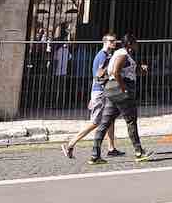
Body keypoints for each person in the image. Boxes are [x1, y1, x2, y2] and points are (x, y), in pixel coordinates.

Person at [88, 34, 148, 165]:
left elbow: (126, 70)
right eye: (135, 43)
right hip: (119, 91)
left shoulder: (121, 54)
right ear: (130, 44)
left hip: (111, 91)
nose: (137, 45)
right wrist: (124, 88)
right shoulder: (123, 54)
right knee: (131, 120)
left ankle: (95, 155)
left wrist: (140, 70)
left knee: (105, 122)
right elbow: (115, 72)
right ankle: (139, 152)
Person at [62, 34, 119, 159]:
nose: (114, 43)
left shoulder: (105, 56)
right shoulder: (103, 56)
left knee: (110, 118)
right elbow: (99, 76)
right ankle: (71, 143)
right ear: (105, 42)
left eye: (115, 41)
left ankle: (111, 148)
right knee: (95, 122)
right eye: (111, 41)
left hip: (99, 92)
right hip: (101, 92)